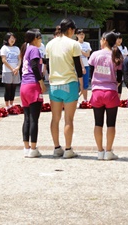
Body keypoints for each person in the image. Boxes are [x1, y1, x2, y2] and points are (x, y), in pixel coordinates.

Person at [45, 18, 84, 159]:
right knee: (69, 119)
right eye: (73, 31)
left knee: (55, 118)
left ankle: (56, 148)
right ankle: (68, 149)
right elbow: (78, 66)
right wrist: (81, 83)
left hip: (54, 85)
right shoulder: (74, 44)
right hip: (69, 83)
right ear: (70, 30)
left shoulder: (49, 44)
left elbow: (48, 65)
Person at [88, 32, 124, 160]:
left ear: (104, 40)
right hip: (111, 92)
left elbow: (91, 74)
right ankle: (109, 151)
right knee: (111, 123)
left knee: (98, 123)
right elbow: (120, 77)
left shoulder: (95, 55)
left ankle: (99, 151)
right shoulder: (117, 55)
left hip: (97, 91)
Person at [20, 29, 47, 158]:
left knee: (27, 118)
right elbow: (35, 67)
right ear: (35, 38)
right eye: (40, 37)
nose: (41, 40)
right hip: (32, 85)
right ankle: (33, 148)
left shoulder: (26, 49)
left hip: (24, 85)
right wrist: (41, 83)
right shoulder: (34, 49)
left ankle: (26, 147)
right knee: (34, 119)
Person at [0, 32, 21, 108]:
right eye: (11, 38)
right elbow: (4, 60)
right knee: (8, 88)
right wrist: (12, 69)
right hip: (7, 71)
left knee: (13, 88)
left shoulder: (17, 48)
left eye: (14, 38)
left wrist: (17, 67)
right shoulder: (4, 48)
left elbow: (19, 59)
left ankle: (11, 104)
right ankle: (7, 105)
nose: (12, 40)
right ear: (7, 39)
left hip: (16, 71)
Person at [76, 29, 92, 102]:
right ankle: (76, 100)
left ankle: (85, 100)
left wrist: (80, 51)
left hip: (86, 65)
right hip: (76, 66)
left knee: (85, 83)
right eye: (80, 34)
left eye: (83, 34)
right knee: (77, 83)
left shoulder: (87, 44)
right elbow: (76, 56)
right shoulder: (75, 44)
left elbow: (87, 54)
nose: (82, 36)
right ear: (77, 35)